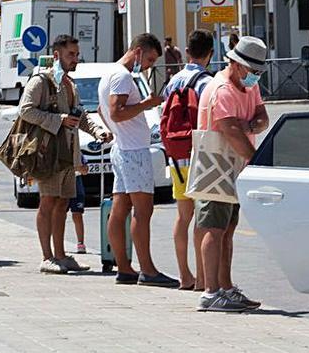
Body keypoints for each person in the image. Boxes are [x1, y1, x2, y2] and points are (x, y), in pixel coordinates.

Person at [18, 34, 111, 274]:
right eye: (71, 54)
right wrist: (57, 119)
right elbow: (25, 110)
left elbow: (78, 116)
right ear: (56, 55)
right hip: (48, 152)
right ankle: (47, 256)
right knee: (47, 202)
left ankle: (60, 255)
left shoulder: (71, 84)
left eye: (77, 54)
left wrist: (99, 131)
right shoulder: (40, 81)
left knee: (63, 203)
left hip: (68, 153)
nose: (75, 59)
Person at [195, 36, 269, 313]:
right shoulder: (223, 89)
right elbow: (229, 128)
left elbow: (262, 118)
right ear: (237, 65)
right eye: (253, 71)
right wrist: (254, 156)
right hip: (216, 164)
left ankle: (225, 288)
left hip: (233, 165)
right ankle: (211, 291)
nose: (256, 78)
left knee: (227, 230)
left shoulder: (248, 87)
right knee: (214, 229)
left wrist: (248, 124)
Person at [99, 33, 178, 287]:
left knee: (120, 209)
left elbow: (103, 112)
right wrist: (147, 103)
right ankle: (148, 270)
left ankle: (125, 267)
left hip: (122, 148)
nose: (149, 66)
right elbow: (116, 112)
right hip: (133, 151)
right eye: (150, 59)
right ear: (138, 52)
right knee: (143, 211)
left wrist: (114, 128)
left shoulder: (109, 72)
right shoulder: (122, 76)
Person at [161, 29, 216, 292]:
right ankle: (203, 279)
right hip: (199, 154)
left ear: (186, 52)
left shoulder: (173, 82)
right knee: (202, 217)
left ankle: (184, 275)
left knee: (183, 217)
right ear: (211, 53)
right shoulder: (206, 82)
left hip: (176, 157)